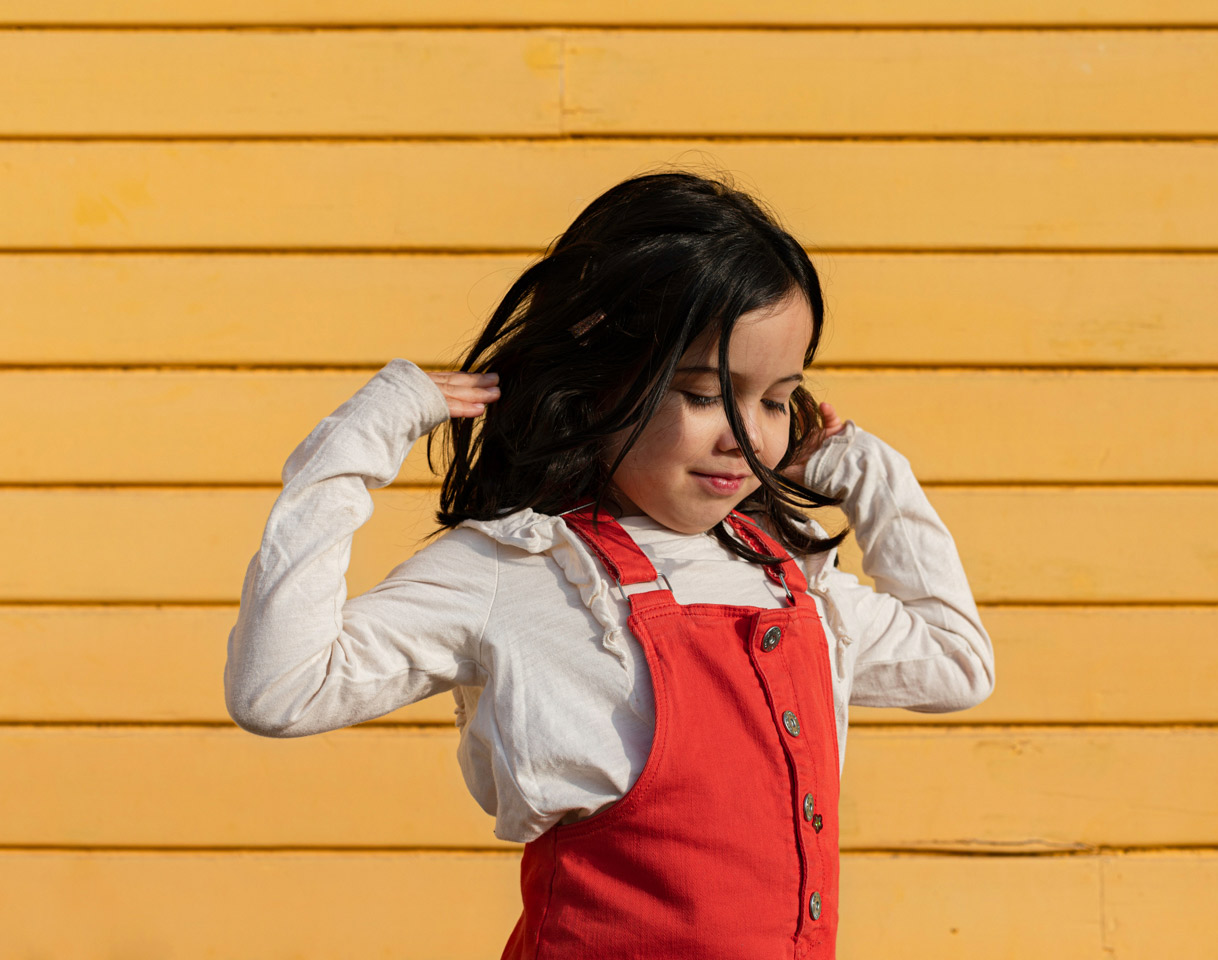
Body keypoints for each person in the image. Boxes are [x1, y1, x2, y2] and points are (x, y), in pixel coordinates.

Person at [224, 169, 995, 959]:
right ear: (598, 383)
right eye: (705, 395)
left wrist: (866, 471)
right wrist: (353, 447)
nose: (746, 438)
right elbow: (279, 690)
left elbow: (956, 663)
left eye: (774, 400)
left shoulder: (785, 575)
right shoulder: (522, 568)